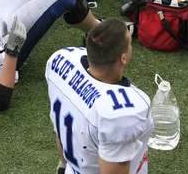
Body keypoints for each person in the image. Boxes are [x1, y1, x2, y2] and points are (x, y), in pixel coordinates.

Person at [46, 18, 154, 174]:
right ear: (123, 57)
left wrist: (63, 165)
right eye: (130, 43)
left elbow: (61, 129)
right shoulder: (122, 111)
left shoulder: (61, 59)